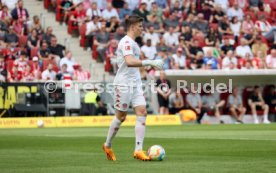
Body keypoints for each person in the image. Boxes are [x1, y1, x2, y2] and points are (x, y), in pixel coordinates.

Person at [102, 15, 164, 161]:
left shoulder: (135, 44)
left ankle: (138, 150)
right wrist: (150, 62)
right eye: (140, 26)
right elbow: (129, 62)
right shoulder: (126, 42)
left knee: (142, 112)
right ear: (133, 26)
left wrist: (146, 72)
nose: (142, 29)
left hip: (135, 83)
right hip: (123, 83)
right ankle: (107, 144)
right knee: (121, 117)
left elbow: (136, 65)